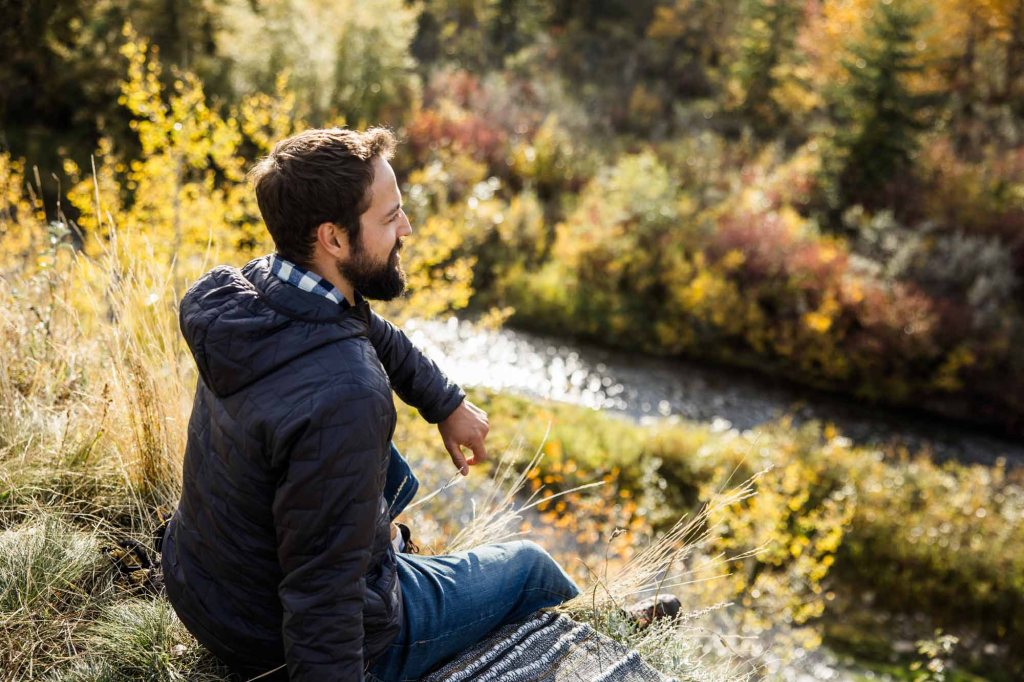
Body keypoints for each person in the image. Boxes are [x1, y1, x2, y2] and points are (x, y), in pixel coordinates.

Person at [161, 127, 580, 682]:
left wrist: (445, 403)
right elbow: (324, 595)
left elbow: (367, 328)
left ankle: (387, 544)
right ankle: (609, 621)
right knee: (530, 565)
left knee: (392, 471)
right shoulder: (348, 396)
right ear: (334, 239)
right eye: (390, 218)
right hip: (272, 640)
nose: (406, 228)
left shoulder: (252, 290)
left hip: (201, 587)